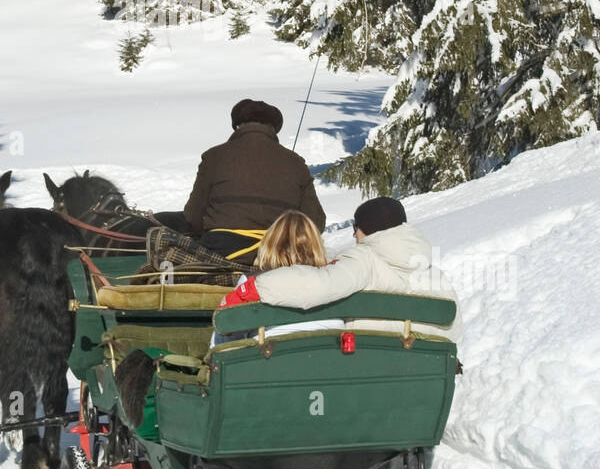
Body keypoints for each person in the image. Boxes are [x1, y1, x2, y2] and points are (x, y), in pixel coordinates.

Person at [220, 195, 460, 341]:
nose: (354, 234)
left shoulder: (365, 260)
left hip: (374, 363)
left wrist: (254, 288)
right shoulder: (431, 271)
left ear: (367, 229)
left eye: (356, 227)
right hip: (427, 369)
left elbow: (317, 285)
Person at [179, 98, 326, 264]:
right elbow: (315, 221)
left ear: (237, 126)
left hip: (221, 253)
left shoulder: (214, 156)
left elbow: (193, 215)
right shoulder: (296, 162)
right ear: (274, 129)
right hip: (276, 256)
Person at [212, 209, 344, 344]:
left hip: (268, 357)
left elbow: (226, 336)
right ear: (317, 246)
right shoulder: (334, 279)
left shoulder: (253, 282)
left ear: (270, 245)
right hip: (328, 352)